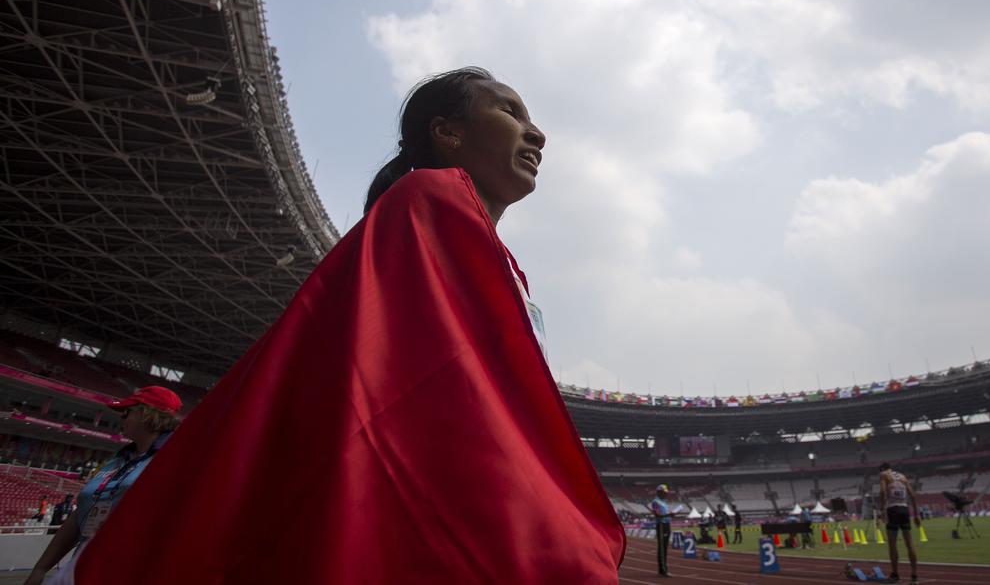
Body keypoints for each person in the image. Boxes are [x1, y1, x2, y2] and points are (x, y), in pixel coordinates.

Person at [71, 68, 624, 583]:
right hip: (442, 485)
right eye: (511, 112)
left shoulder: (506, 265)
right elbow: (436, 389)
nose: (538, 134)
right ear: (448, 133)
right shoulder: (427, 199)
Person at [24, 386, 181, 585]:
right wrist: (41, 568)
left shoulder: (174, 461)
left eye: (127, 412)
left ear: (147, 415)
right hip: (82, 569)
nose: (122, 418)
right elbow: (81, 513)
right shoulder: (116, 460)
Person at [879, 462, 921, 584]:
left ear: (882, 469)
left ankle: (895, 574)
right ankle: (914, 576)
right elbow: (912, 495)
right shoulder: (903, 477)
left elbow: (882, 492)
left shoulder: (883, 475)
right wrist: (917, 515)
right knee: (910, 544)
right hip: (904, 509)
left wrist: (882, 510)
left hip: (893, 509)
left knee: (892, 544)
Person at [650, 485, 672, 577]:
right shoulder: (655, 502)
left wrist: (670, 514)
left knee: (665, 547)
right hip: (661, 525)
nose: (666, 494)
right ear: (659, 492)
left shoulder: (664, 502)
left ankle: (663, 568)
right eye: (664, 492)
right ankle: (662, 569)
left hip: (667, 525)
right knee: (662, 548)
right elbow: (657, 514)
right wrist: (669, 514)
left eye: (666, 492)